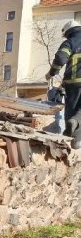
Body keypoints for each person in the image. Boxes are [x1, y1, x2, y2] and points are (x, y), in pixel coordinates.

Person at [46, 20, 81, 149]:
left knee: (72, 110)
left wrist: (51, 73)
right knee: (79, 113)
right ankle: (76, 140)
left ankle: (72, 140)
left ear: (68, 32)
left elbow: (61, 58)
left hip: (72, 83)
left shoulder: (70, 42)